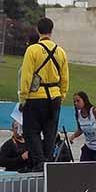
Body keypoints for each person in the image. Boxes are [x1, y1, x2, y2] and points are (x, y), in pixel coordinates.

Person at [19, 17, 69, 172]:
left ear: (37, 30)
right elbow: (65, 78)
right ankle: (48, 160)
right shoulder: (60, 52)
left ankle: (39, 161)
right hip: (54, 97)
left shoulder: (32, 50)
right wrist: (62, 96)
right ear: (51, 31)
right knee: (50, 131)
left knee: (31, 131)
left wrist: (23, 98)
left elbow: (26, 76)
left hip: (35, 97)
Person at [69, 91, 96, 161]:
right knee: (83, 169)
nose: (76, 103)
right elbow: (80, 129)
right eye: (74, 102)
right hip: (88, 148)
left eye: (78, 101)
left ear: (84, 100)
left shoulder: (94, 111)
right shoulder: (78, 114)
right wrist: (73, 136)